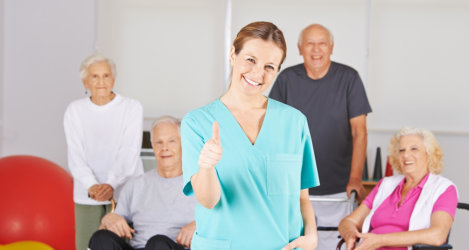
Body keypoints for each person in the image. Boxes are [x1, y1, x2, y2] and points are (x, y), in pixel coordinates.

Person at [181, 21, 320, 250]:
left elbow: (302, 197)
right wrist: (206, 166)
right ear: (232, 55)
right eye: (251, 59)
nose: (257, 73)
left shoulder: (294, 123)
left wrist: (312, 237)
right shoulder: (197, 123)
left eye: (269, 66)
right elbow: (208, 200)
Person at [269, 23, 372, 249]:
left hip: (338, 188)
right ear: (299, 48)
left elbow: (359, 132)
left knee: (334, 244)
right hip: (297, 186)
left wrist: (355, 177)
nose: (316, 50)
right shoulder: (287, 79)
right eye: (309, 44)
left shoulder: (349, 79)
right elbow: (273, 132)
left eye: (322, 43)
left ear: (331, 47)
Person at [63, 53, 144, 250]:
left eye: (106, 76)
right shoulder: (75, 110)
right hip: (87, 193)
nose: (101, 81)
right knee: (86, 245)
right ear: (85, 81)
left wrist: (111, 184)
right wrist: (92, 185)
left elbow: (129, 150)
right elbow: (76, 154)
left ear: (113, 79)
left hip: (124, 190)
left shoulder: (131, 108)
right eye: (95, 76)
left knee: (123, 244)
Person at [338, 127, 458, 250]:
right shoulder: (386, 185)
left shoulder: (443, 188)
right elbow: (349, 222)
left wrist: (381, 240)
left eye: (414, 149)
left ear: (429, 153)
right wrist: (351, 235)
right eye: (401, 150)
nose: (406, 155)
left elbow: (438, 236)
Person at [88, 115, 197, 250]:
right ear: (152, 145)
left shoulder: (200, 185)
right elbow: (111, 223)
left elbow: (222, 223)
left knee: (158, 243)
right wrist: (108, 219)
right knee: (101, 238)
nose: (165, 148)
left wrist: (199, 226)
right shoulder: (135, 185)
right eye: (159, 142)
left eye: (172, 141)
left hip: (170, 247)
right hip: (139, 247)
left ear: (184, 143)